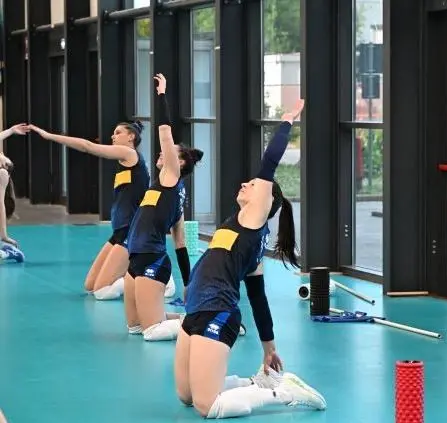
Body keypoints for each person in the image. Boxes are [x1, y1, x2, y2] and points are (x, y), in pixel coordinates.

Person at [173, 98, 326, 419]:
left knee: (207, 406)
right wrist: (269, 347)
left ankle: (284, 393)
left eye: (253, 185)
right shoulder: (241, 228)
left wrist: (287, 120)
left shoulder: (254, 220)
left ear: (264, 201)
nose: (245, 183)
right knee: (186, 396)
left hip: (217, 312)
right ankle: (256, 383)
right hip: (196, 308)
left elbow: (270, 162)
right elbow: (257, 297)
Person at [27, 121, 152, 300]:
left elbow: (87, 146)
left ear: (131, 136)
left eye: (118, 133)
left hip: (131, 232)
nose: (113, 136)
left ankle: (148, 279)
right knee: (90, 286)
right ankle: (140, 273)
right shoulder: (124, 161)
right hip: (119, 231)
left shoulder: (130, 154)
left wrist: (49, 136)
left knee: (101, 292)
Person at [123, 73, 202, 342]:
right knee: (135, 327)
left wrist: (161, 95)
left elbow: (165, 134)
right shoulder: (169, 192)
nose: (161, 153)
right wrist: (188, 283)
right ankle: (192, 320)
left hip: (152, 260)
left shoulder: (171, 177)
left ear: (179, 163)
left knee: (151, 332)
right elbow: (180, 244)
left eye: (169, 153)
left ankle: (209, 326)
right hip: (135, 260)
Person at [0, 123, 29, 263]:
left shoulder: (2, 174)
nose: (4, 159)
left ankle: (7, 253)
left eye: (6, 163)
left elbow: (0, 205)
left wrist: (4, 235)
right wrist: (11, 131)